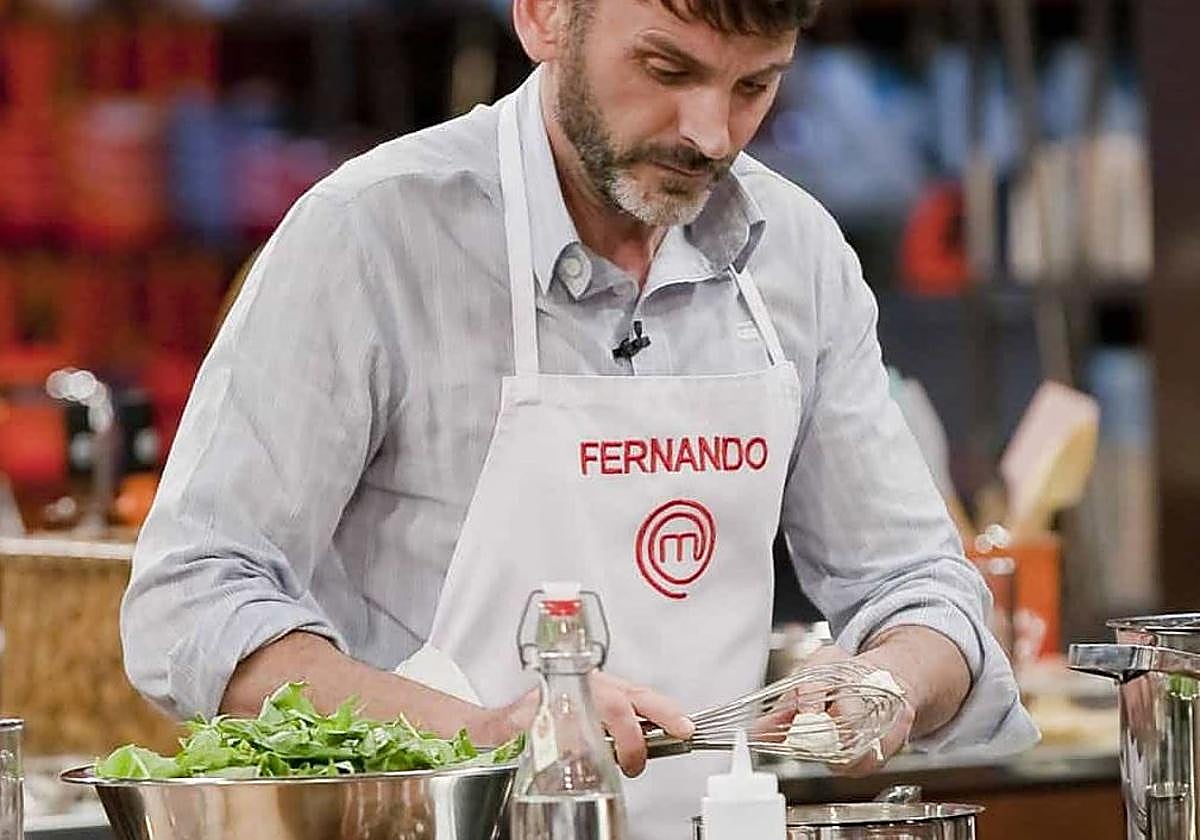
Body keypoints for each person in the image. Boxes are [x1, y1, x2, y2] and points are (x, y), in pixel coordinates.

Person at [123, 0, 1039, 835]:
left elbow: (924, 587)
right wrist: (482, 733)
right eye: (667, 69)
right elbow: (195, 598)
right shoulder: (370, 235)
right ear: (543, 17)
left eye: (754, 86)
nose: (710, 134)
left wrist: (886, 683)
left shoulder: (796, 257)